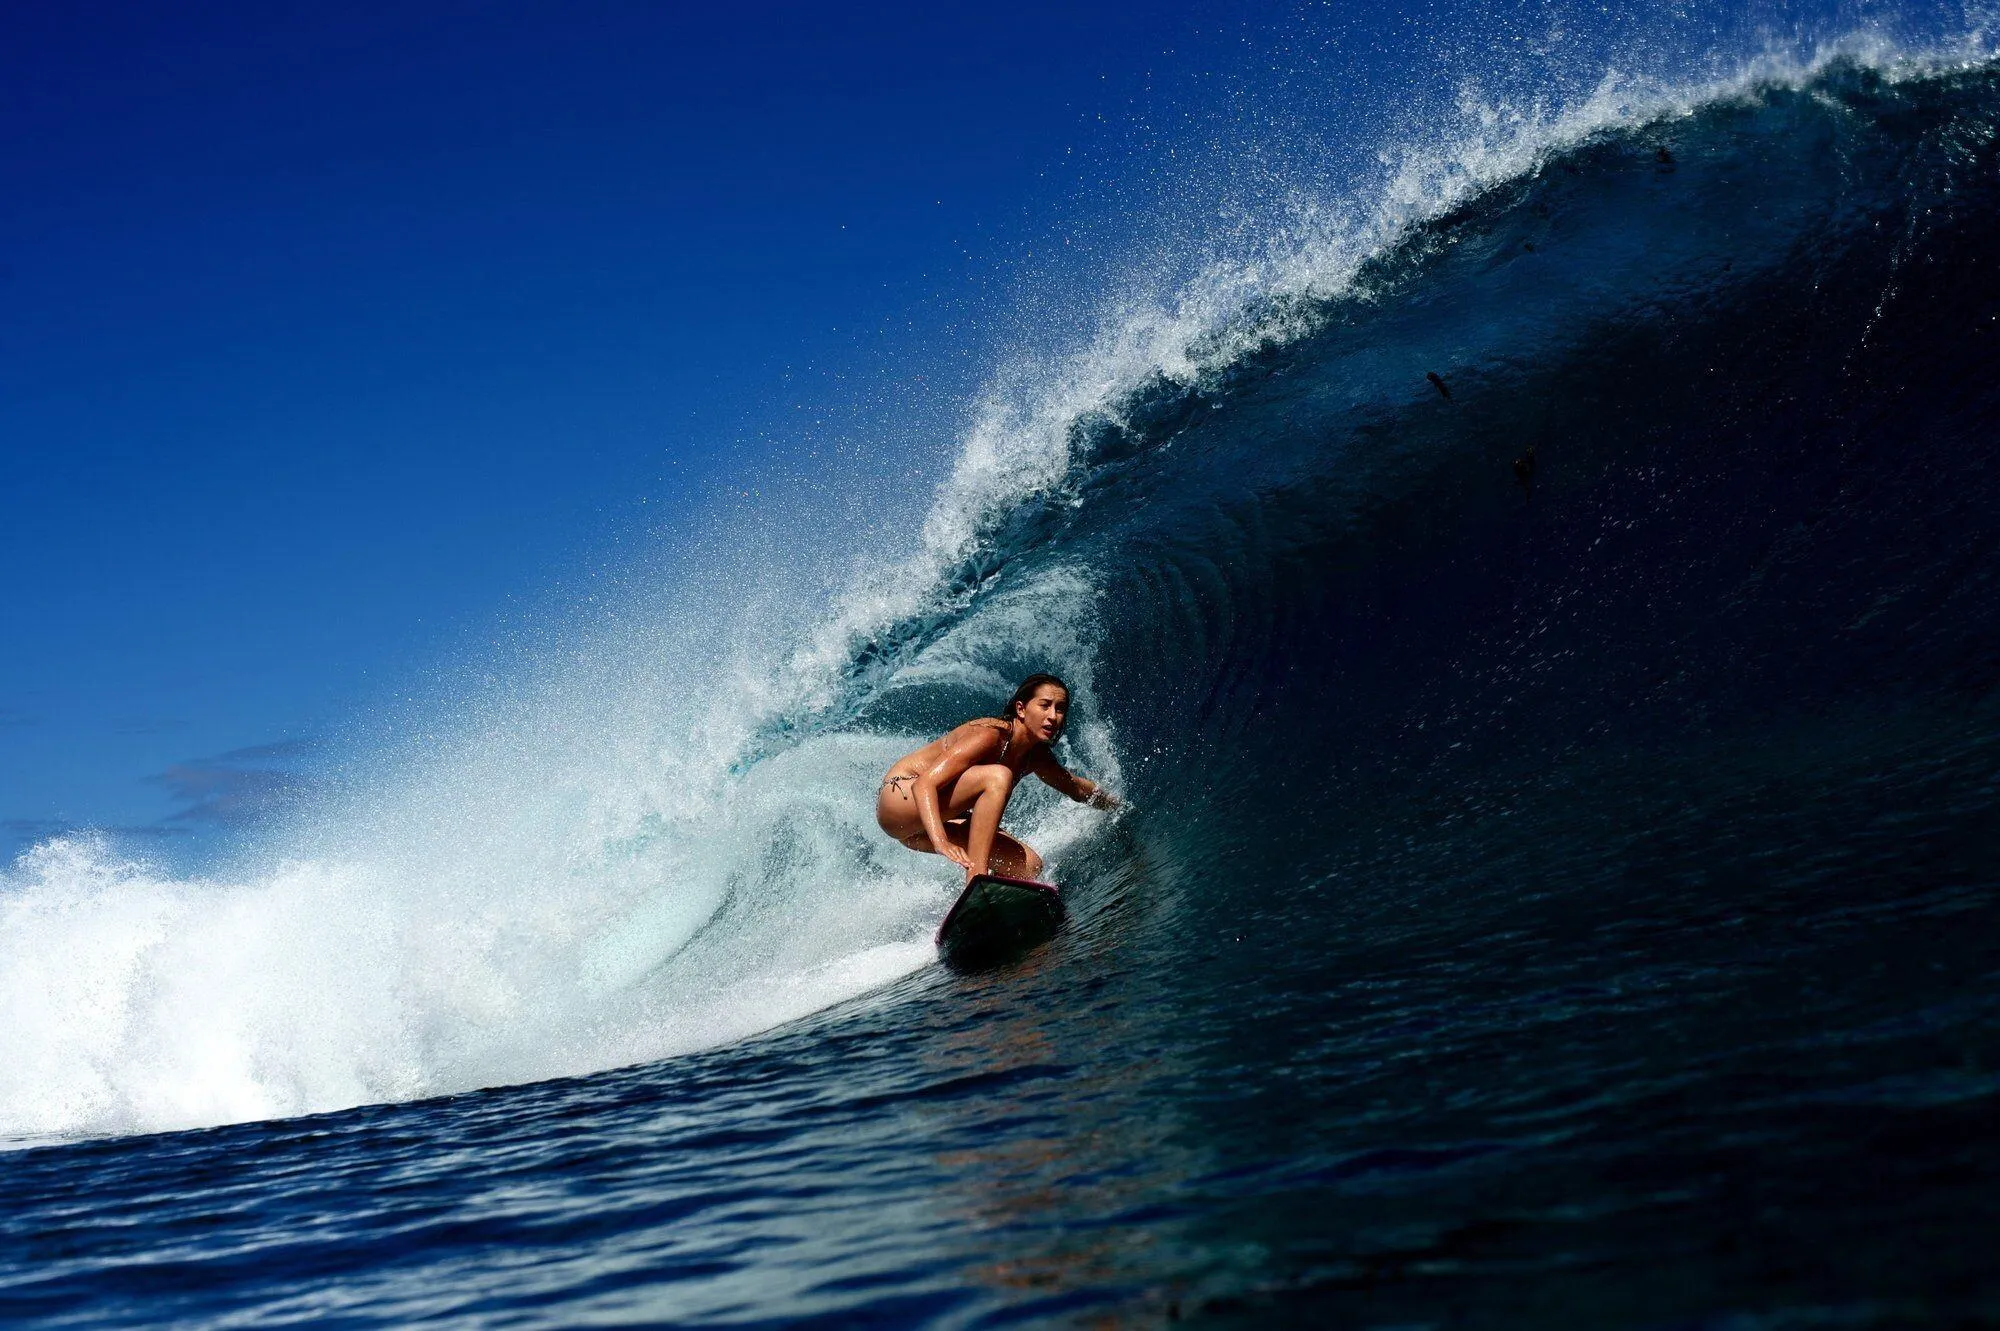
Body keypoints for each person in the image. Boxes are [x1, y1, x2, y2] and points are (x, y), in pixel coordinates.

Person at [876, 673, 1119, 882]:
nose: (1053, 716)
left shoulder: (1036, 756)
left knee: (1029, 867)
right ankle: (977, 876)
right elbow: (924, 784)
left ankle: (988, 898)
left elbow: (1074, 787)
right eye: (1045, 705)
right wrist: (940, 841)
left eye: (1060, 709)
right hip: (901, 800)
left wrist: (1116, 805)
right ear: (1021, 709)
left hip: (929, 823)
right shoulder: (989, 735)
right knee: (997, 776)